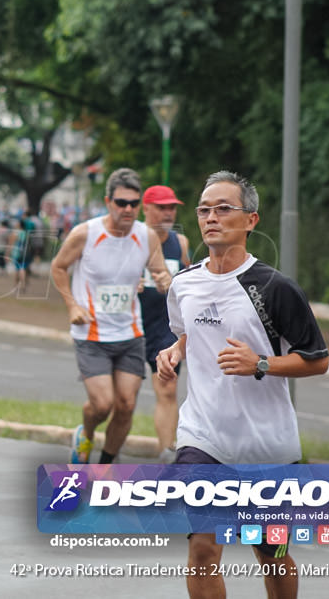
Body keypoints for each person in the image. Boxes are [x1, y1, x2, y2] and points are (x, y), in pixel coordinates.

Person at [157, 170, 328, 599]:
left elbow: (318, 360)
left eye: (223, 208)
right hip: (203, 436)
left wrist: (262, 364)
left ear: (251, 220)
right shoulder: (183, 283)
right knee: (201, 550)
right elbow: (186, 333)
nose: (211, 217)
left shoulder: (276, 288)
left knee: (271, 550)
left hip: (265, 442)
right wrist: (174, 352)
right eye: (203, 210)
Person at [50, 167, 170, 465]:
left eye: (134, 203)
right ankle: (86, 432)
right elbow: (58, 267)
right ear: (108, 202)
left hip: (130, 333)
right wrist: (72, 306)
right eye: (121, 203)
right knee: (102, 405)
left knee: (126, 404)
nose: (128, 209)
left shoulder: (147, 236)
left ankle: (105, 466)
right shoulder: (85, 234)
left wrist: (165, 279)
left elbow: (159, 271)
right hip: (91, 333)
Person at [137, 185, 191, 462]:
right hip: (130, 326)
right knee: (121, 398)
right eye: (162, 207)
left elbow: (190, 280)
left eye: (172, 207)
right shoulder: (129, 239)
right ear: (146, 208)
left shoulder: (179, 243)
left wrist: (175, 286)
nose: (169, 212)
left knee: (168, 389)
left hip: (165, 328)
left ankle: (166, 452)